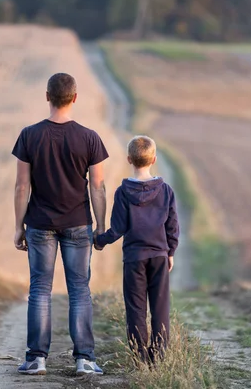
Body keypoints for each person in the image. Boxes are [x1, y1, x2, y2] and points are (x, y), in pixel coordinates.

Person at [12, 73, 107, 376]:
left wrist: (18, 226)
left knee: (40, 289)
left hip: (39, 223)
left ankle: (36, 359)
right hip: (79, 223)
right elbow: (98, 187)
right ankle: (85, 360)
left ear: (47, 96)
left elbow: (21, 187)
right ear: (75, 98)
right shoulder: (89, 137)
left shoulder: (29, 135)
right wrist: (101, 225)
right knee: (79, 289)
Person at [94, 135, 179, 364]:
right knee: (160, 307)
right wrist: (170, 252)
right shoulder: (166, 191)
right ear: (154, 159)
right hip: (159, 256)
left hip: (134, 258)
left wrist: (100, 240)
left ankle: (140, 358)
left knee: (135, 308)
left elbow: (118, 228)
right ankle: (158, 357)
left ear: (129, 159)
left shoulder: (123, 192)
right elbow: (172, 225)